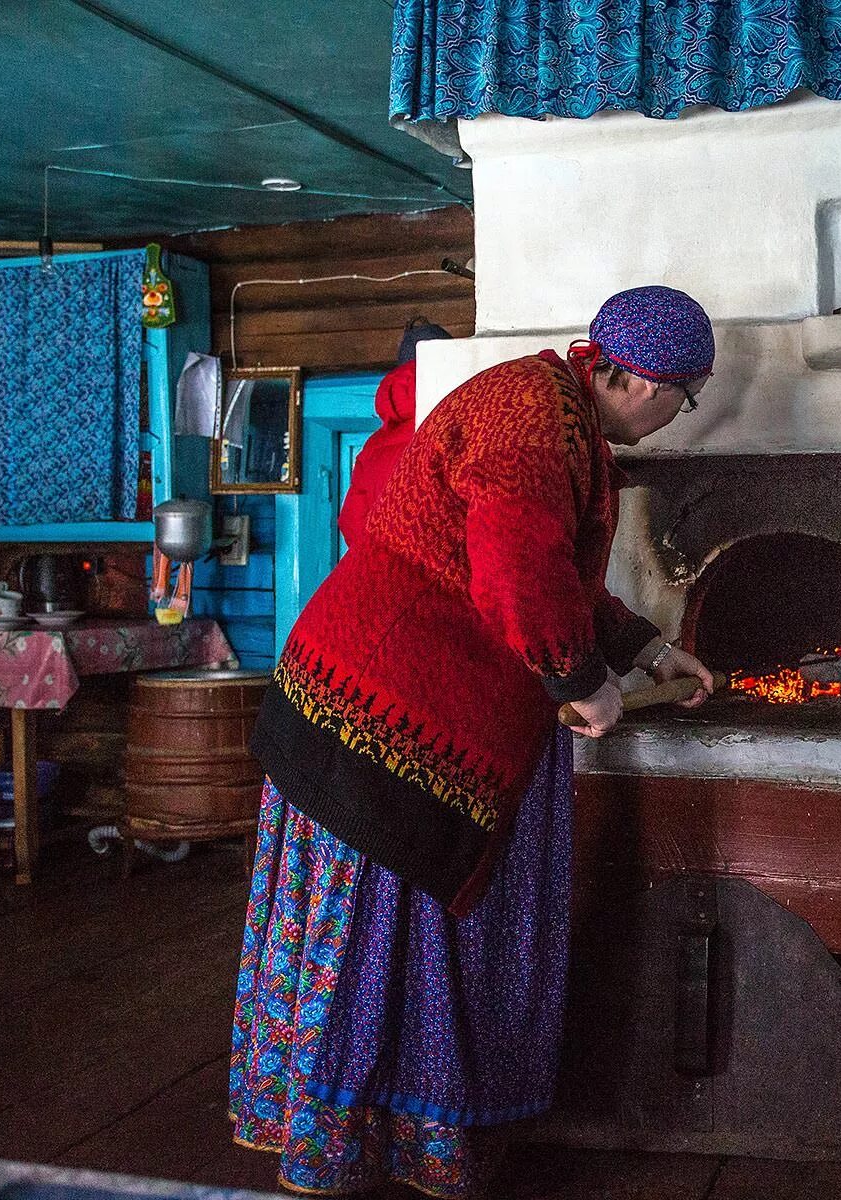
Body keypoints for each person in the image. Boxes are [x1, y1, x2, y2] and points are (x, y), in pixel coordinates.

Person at [230, 285, 719, 1198]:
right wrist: (583, 683)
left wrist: (649, 649)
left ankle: (404, 1136)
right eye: (685, 398)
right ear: (648, 383)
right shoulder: (534, 418)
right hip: (380, 717)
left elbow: (551, 571)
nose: (677, 416)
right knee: (380, 930)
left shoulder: (552, 410)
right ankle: (349, 1141)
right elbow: (516, 569)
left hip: (395, 706)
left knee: (409, 934)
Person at [336, 317, 451, 551]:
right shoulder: (472, 417)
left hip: (403, 576)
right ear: (452, 359)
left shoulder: (374, 448)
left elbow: (352, 524)